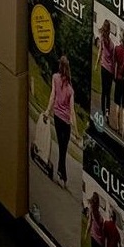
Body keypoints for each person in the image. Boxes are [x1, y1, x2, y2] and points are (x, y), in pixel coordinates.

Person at [48, 58, 74, 186]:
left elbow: (53, 95)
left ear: (60, 66)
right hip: (66, 122)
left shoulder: (54, 78)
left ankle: (61, 173)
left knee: (62, 147)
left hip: (57, 117)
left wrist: (48, 111)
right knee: (63, 148)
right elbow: (72, 110)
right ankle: (62, 175)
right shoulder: (70, 89)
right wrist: (77, 131)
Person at [96, 20, 116, 125]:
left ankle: (103, 112)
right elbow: (113, 60)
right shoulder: (112, 44)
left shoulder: (103, 39)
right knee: (108, 93)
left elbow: (99, 52)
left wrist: (96, 64)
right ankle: (107, 113)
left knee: (103, 91)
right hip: (110, 70)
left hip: (104, 68)